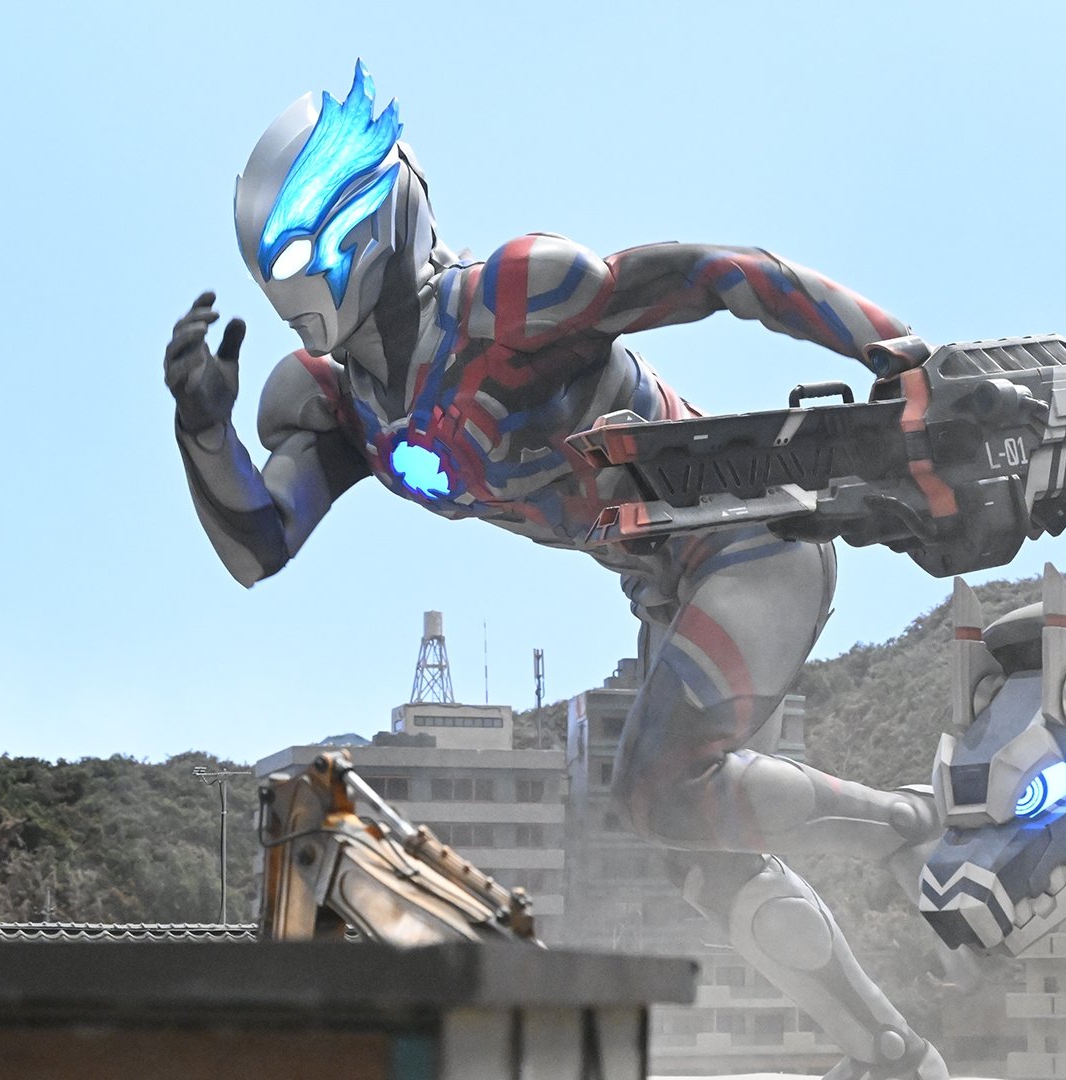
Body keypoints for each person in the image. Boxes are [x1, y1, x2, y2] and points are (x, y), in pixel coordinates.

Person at [165, 62, 945, 1080]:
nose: (294, 284)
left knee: (660, 791)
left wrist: (899, 351)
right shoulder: (338, 403)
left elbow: (721, 273)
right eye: (276, 263)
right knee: (692, 845)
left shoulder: (512, 300)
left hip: (751, 535)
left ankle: (910, 829)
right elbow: (260, 544)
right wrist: (203, 431)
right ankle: (892, 1051)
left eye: (307, 250)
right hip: (665, 585)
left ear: (373, 214)